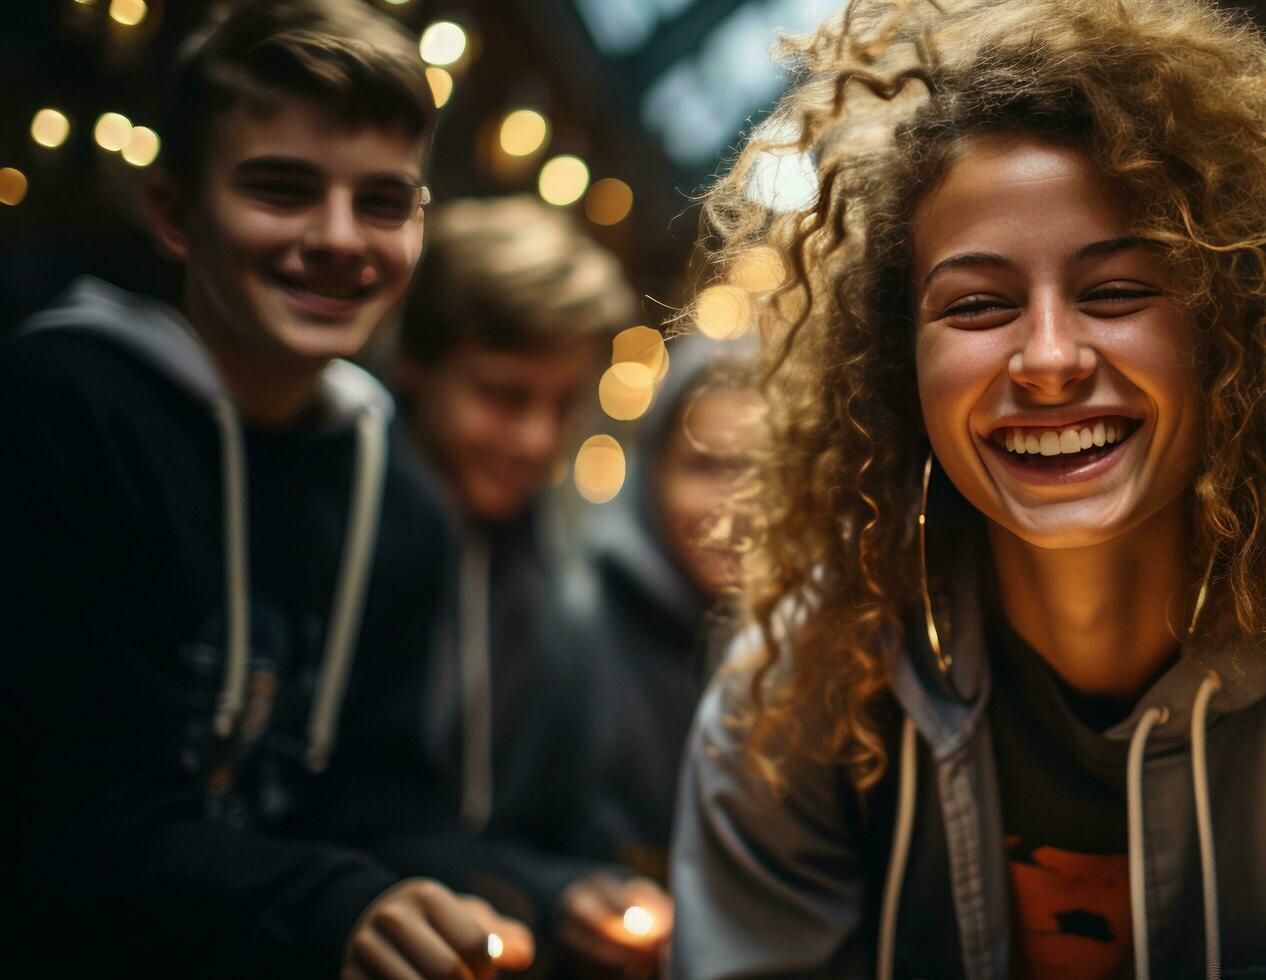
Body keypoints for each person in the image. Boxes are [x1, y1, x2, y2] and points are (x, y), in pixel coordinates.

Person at [670, 1, 1266, 977]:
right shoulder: (803, 680)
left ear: (1226, 326)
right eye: (977, 305)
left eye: (1115, 291)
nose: (1051, 359)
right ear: (897, 364)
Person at [0, 2, 535, 976]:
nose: (339, 239)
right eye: (282, 190)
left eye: (383, 202)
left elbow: (376, 795)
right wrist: (334, 900)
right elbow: (62, 810)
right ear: (173, 212)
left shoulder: (399, 493)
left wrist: (520, 895)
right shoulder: (60, 411)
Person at [384, 195, 673, 976]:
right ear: (416, 363)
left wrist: (574, 890)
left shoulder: (551, 573)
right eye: (503, 396)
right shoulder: (349, 536)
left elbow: (537, 822)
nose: (536, 439)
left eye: (560, 404)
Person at [546, 336, 760, 887]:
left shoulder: (837, 647)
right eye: (704, 466)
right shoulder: (576, 624)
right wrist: (570, 898)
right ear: (651, 473)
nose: (733, 507)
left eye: (762, 469)